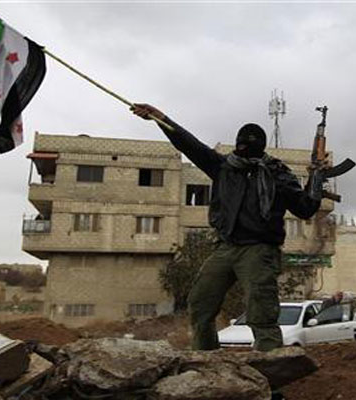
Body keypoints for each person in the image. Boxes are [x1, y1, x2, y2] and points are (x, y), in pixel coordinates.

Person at [131, 104, 322, 352]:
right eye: (240, 146)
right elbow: (190, 145)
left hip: (259, 249)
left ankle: (271, 368)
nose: (242, 151)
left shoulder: (277, 174)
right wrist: (161, 118)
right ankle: (206, 360)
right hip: (226, 247)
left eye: (247, 147)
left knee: (261, 312)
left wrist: (317, 178)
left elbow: (305, 209)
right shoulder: (224, 167)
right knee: (200, 304)